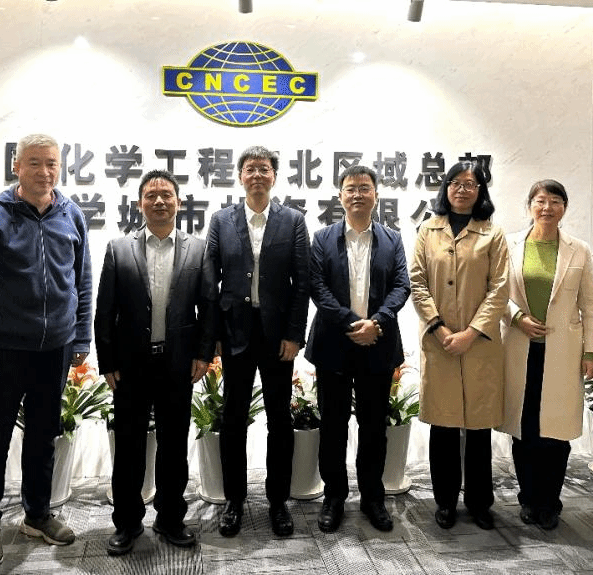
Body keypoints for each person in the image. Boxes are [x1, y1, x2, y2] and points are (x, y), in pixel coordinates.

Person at [0, 134, 93, 566]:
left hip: (55, 348)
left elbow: (82, 281)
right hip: (4, 349)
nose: (44, 171)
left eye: (51, 163)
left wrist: (80, 337)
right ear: (17, 166)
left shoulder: (71, 214)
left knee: (43, 435)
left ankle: (37, 514)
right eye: (34, 163)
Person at [95, 170, 217, 555]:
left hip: (177, 363)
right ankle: (127, 522)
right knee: (128, 446)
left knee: (173, 446)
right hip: (131, 365)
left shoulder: (198, 250)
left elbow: (208, 308)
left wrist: (204, 354)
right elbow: (105, 310)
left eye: (167, 195)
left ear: (179, 202)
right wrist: (107, 362)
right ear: (140, 204)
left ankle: (171, 518)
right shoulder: (119, 249)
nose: (160, 201)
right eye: (151, 195)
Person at [205, 145, 310, 537]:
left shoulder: (293, 221)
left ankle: (278, 501)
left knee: (279, 420)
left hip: (277, 336)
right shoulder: (221, 220)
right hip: (235, 333)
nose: (257, 176)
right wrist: (214, 335)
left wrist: (294, 335)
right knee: (233, 418)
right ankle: (233, 501)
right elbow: (210, 281)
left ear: (274, 176)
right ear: (240, 176)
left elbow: (302, 283)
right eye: (250, 169)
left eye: (264, 169)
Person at [305, 165, 411, 533]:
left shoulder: (392, 239)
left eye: (364, 188)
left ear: (376, 195)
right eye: (351, 189)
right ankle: (334, 497)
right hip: (334, 345)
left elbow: (402, 285)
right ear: (340, 196)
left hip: (378, 345)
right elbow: (317, 287)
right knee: (333, 427)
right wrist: (353, 323)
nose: (357, 195)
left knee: (373, 428)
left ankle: (372, 498)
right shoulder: (322, 239)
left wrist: (377, 322)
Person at [409, 160, 509, 531]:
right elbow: (417, 282)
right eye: (456, 182)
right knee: (445, 426)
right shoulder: (428, 230)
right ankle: (445, 501)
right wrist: (438, 328)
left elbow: (500, 289)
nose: (462, 189)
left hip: (479, 344)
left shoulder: (492, 233)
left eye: (470, 183)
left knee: (479, 428)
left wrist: (471, 332)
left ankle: (480, 502)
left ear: (481, 191)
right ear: (446, 187)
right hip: (440, 343)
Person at [498, 180, 593, 531]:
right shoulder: (509, 244)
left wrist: (592, 351)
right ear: (529, 206)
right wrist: (517, 317)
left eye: (555, 201)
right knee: (524, 428)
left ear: (564, 208)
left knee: (555, 431)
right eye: (540, 201)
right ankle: (528, 498)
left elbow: (591, 305)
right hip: (519, 348)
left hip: (563, 352)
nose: (547, 208)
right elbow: (496, 292)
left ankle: (550, 502)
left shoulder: (579, 250)